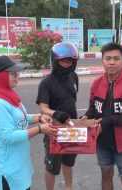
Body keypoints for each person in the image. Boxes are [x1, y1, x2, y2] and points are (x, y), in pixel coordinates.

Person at [0, 55, 58, 190]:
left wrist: (39, 117)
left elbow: (19, 118)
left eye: (17, 73)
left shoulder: (7, 95)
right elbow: (8, 136)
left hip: (17, 161)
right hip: (6, 164)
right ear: (0, 76)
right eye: (13, 74)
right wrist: (40, 129)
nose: (17, 76)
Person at [82, 42, 122, 190]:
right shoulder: (97, 83)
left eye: (116, 58)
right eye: (107, 58)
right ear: (102, 61)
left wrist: (109, 121)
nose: (111, 62)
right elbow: (93, 107)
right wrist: (85, 116)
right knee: (106, 175)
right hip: (101, 141)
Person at [36, 42, 79, 190]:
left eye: (70, 60)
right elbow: (43, 108)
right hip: (54, 130)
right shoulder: (47, 83)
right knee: (52, 165)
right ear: (55, 61)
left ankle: (69, 187)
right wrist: (55, 113)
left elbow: (72, 99)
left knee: (68, 161)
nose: (67, 63)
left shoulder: (74, 77)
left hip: (72, 127)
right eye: (63, 60)